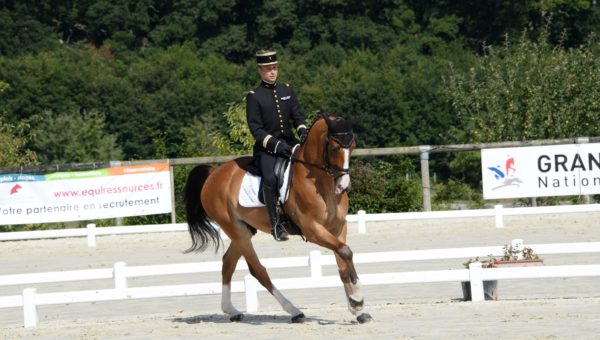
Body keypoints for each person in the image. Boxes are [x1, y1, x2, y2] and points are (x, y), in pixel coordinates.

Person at [246, 50, 308, 241]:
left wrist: (304, 132)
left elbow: (297, 116)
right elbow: (255, 129)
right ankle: (275, 224)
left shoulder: (287, 90)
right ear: (260, 71)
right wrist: (275, 145)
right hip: (267, 149)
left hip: (291, 143)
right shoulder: (254, 96)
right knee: (271, 178)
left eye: (274, 68)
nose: (272, 72)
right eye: (267, 69)